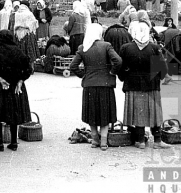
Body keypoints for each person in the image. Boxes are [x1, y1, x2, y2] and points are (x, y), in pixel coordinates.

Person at [118, 17, 170, 149]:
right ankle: (157, 141)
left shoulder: (126, 48)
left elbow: (120, 66)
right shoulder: (154, 48)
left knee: (138, 111)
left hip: (133, 84)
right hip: (152, 85)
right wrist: (160, 77)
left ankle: (140, 140)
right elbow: (163, 68)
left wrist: (123, 78)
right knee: (154, 112)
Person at [69, 24, 122, 151]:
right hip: (105, 84)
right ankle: (104, 142)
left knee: (92, 113)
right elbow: (118, 61)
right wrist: (112, 72)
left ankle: (94, 140)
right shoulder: (106, 46)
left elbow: (73, 66)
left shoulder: (83, 48)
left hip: (89, 85)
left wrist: (84, 75)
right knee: (105, 113)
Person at [0, 30, 32, 152]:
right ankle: (14, 142)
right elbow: (28, 68)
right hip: (15, 86)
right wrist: (21, 80)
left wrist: (0, 78)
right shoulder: (18, 51)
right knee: (14, 112)